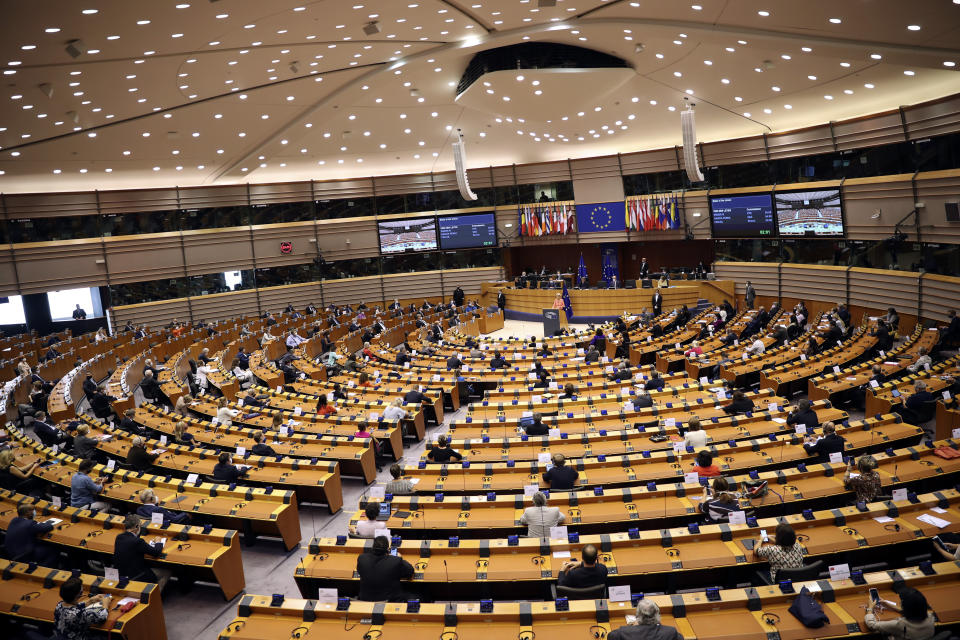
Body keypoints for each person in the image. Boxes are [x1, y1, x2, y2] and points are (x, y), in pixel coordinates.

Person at [113, 514, 168, 589]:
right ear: (136, 527)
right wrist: (158, 542)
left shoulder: (119, 537)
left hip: (122, 574)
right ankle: (154, 596)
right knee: (166, 573)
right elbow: (156, 553)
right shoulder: (138, 542)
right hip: (137, 576)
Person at [356, 535, 414, 602]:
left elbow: (360, 570)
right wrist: (400, 558)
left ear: (372, 547)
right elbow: (410, 572)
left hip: (366, 601)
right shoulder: (395, 561)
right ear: (387, 549)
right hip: (390, 602)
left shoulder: (362, 559)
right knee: (417, 595)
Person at [864, 586, 935, 640]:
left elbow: (872, 625)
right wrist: (888, 604)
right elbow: (914, 610)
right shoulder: (930, 616)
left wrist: (870, 608)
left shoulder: (899, 625)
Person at [608, 599, 683, 640]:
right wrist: (659, 625)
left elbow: (610, 636)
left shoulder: (623, 632)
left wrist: (633, 627)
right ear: (657, 614)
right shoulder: (670, 632)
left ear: (637, 615)